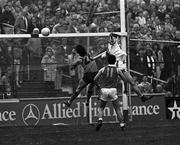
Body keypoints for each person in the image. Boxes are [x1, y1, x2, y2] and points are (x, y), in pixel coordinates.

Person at [102, 33, 150, 102]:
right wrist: (111, 36)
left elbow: (108, 52)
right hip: (116, 66)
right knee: (112, 83)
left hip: (121, 66)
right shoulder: (114, 43)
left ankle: (141, 96)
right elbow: (112, 40)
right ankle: (104, 95)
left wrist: (105, 54)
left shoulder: (113, 46)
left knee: (132, 82)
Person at [94, 54, 125, 131]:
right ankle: (121, 125)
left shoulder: (103, 69)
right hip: (113, 90)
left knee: (101, 107)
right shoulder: (117, 70)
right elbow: (124, 79)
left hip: (104, 90)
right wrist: (126, 88)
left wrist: (98, 86)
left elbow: (95, 79)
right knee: (117, 108)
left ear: (107, 61)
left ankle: (100, 119)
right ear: (115, 61)